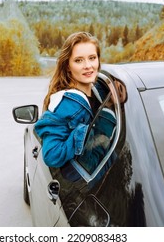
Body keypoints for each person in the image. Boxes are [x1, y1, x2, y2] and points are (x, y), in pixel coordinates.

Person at [34, 32, 108, 180]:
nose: (88, 66)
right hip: (84, 186)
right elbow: (51, 155)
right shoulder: (66, 104)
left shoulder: (98, 90)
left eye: (92, 58)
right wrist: (87, 133)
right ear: (68, 66)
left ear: (98, 60)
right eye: (79, 60)